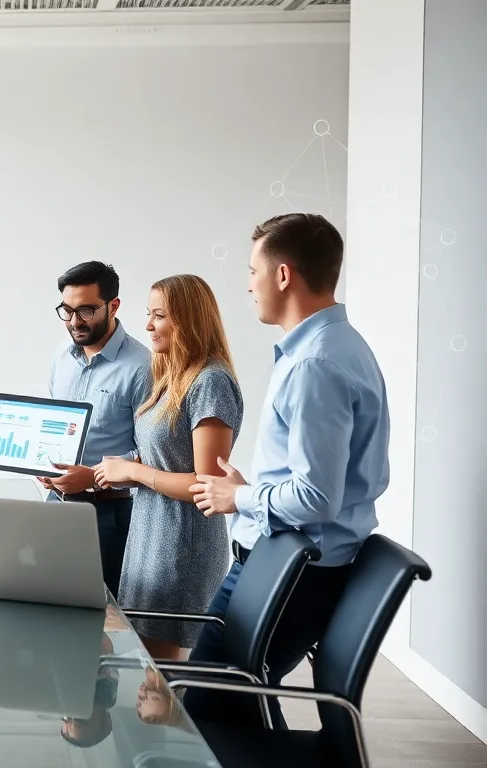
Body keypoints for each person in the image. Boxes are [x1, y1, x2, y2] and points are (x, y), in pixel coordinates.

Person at [189, 213, 389, 729]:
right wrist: (248, 493)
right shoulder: (342, 347)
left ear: (283, 275)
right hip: (289, 565)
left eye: (253, 270)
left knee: (202, 705)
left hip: (290, 571)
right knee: (229, 697)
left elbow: (316, 497)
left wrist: (242, 497)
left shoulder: (314, 365)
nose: (248, 284)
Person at [92, 274, 242, 660]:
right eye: (149, 314)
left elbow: (207, 486)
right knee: (148, 678)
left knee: (160, 684)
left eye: (158, 315)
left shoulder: (211, 382)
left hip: (180, 547)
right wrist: (129, 467)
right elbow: (165, 456)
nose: (147, 325)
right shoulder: (170, 377)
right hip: (150, 539)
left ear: (188, 320)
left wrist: (134, 473)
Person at [43, 261, 151, 599]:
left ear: (113, 305)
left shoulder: (142, 367)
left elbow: (153, 454)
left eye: (86, 310)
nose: (74, 321)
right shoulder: (61, 356)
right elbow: (52, 425)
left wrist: (90, 476)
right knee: (50, 607)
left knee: (102, 622)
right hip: (55, 504)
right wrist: (40, 465)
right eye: (67, 310)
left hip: (109, 514)